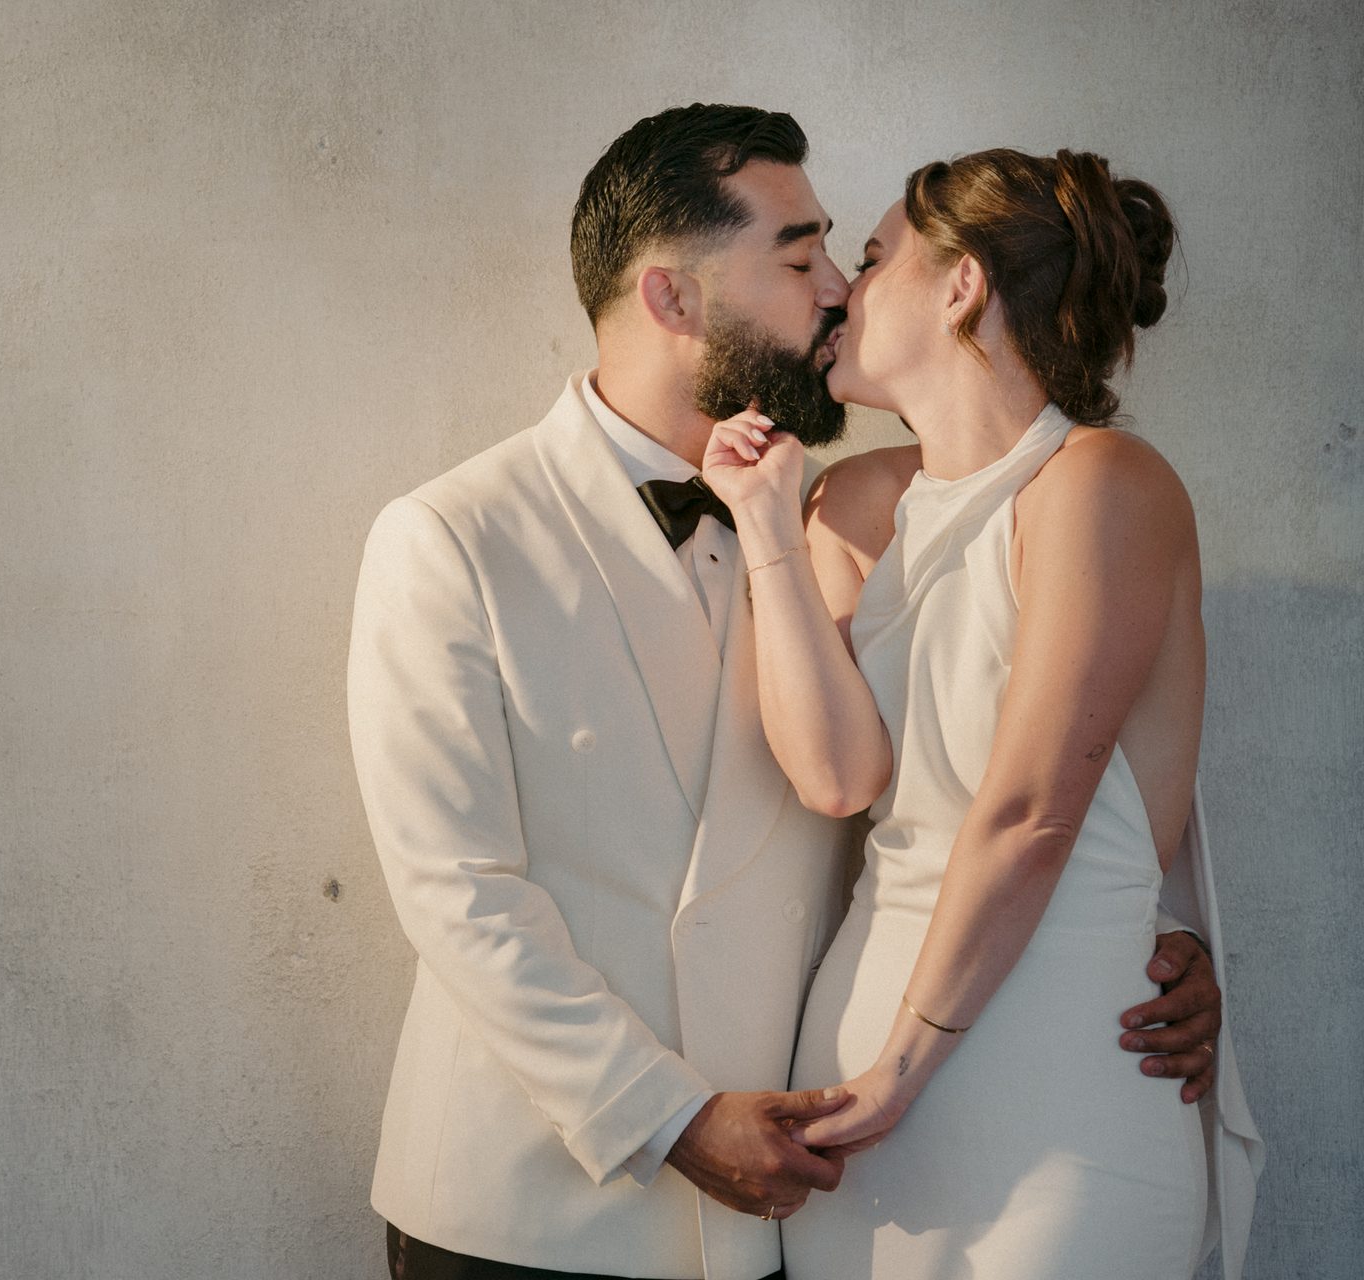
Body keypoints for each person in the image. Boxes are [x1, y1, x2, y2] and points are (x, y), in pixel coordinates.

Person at [346, 107, 1225, 1280]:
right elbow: (457, 892)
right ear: (673, 299)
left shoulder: (825, 510)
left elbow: (962, 779)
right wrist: (668, 1117)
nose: (834, 295)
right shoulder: (452, 536)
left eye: (849, 260)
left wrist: (1146, 928)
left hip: (786, 1203)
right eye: (803, 260)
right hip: (535, 1207)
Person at [700, 148, 1263, 1277]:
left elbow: (1029, 812)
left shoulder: (1104, 482)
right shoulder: (851, 500)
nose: (841, 294)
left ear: (960, 286)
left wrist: (904, 1067)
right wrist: (766, 524)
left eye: (869, 260)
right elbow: (837, 778)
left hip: (1056, 1093)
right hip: (858, 1113)